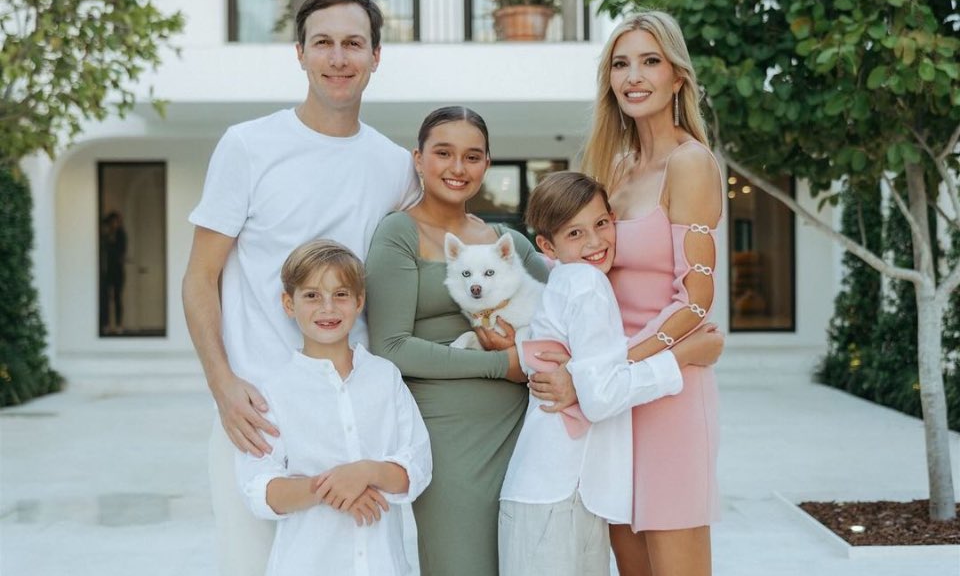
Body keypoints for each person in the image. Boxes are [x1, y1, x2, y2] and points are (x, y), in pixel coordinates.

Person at [181, 0, 420, 576]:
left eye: (353, 44)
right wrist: (222, 384)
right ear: (300, 53)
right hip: (258, 415)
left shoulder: (393, 165)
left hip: (353, 417)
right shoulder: (248, 147)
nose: (339, 58)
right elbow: (199, 277)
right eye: (324, 43)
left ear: (375, 56)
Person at [498, 172, 723, 576]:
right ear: (547, 246)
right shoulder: (586, 283)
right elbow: (600, 396)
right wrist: (683, 355)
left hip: (555, 490)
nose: (595, 242)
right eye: (575, 234)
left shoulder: (567, 281)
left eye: (602, 224)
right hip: (559, 495)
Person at [364, 106, 548, 576]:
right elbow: (391, 346)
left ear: (487, 164)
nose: (457, 168)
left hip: (525, 434)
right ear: (419, 159)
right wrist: (502, 363)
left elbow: (564, 312)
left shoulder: (506, 242)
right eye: (443, 153)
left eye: (472, 156)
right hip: (445, 439)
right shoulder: (398, 234)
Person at [574, 10, 725, 576]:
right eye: (620, 63)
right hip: (616, 402)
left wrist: (618, 366)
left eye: (649, 61)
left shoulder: (691, 164)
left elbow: (695, 300)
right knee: (629, 563)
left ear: (677, 77)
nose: (633, 76)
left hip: (669, 395)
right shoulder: (613, 169)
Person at [235, 239, 431, 576]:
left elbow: (418, 467)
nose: (328, 307)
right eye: (312, 295)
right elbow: (262, 491)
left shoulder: (386, 378)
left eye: (340, 294)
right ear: (288, 303)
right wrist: (332, 489)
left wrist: (366, 472)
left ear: (359, 302)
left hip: (383, 566)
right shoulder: (273, 393)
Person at [99, 211, 127, 334]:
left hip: (117, 271)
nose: (114, 224)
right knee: (105, 298)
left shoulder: (121, 234)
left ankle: (119, 324)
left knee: (117, 297)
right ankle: (106, 324)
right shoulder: (106, 234)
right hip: (107, 270)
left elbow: (120, 250)